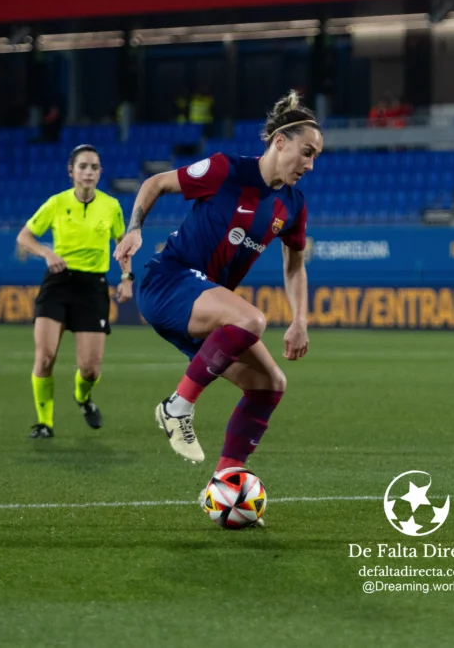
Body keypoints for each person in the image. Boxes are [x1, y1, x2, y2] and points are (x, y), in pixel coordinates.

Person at [113, 90, 318, 477]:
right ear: (279, 141)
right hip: (167, 282)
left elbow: (294, 266)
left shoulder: (293, 205)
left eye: (316, 156)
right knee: (251, 320)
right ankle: (177, 407)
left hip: (201, 307)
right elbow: (155, 183)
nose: (310, 164)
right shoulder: (226, 169)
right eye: (307, 152)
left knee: (271, 384)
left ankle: (226, 482)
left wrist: (300, 321)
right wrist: (134, 230)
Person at [16, 144, 133, 439]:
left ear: (100, 173)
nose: (88, 172)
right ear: (71, 172)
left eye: (94, 167)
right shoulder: (56, 203)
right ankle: (45, 423)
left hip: (93, 288)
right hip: (57, 282)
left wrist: (127, 277)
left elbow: (124, 245)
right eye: (83, 166)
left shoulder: (111, 206)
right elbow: (24, 236)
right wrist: (46, 253)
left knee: (90, 369)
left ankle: (82, 398)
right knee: (44, 357)